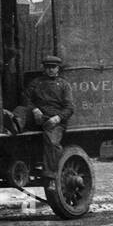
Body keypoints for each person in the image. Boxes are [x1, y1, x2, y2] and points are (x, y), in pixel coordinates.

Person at [24, 55, 75, 191]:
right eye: (48, 67)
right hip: (38, 118)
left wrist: (57, 118)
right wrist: (34, 109)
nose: (51, 70)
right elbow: (26, 98)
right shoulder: (36, 83)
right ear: (44, 69)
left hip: (55, 121)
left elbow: (70, 108)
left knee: (52, 142)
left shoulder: (64, 85)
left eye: (53, 67)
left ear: (58, 69)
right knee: (19, 119)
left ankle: (51, 177)